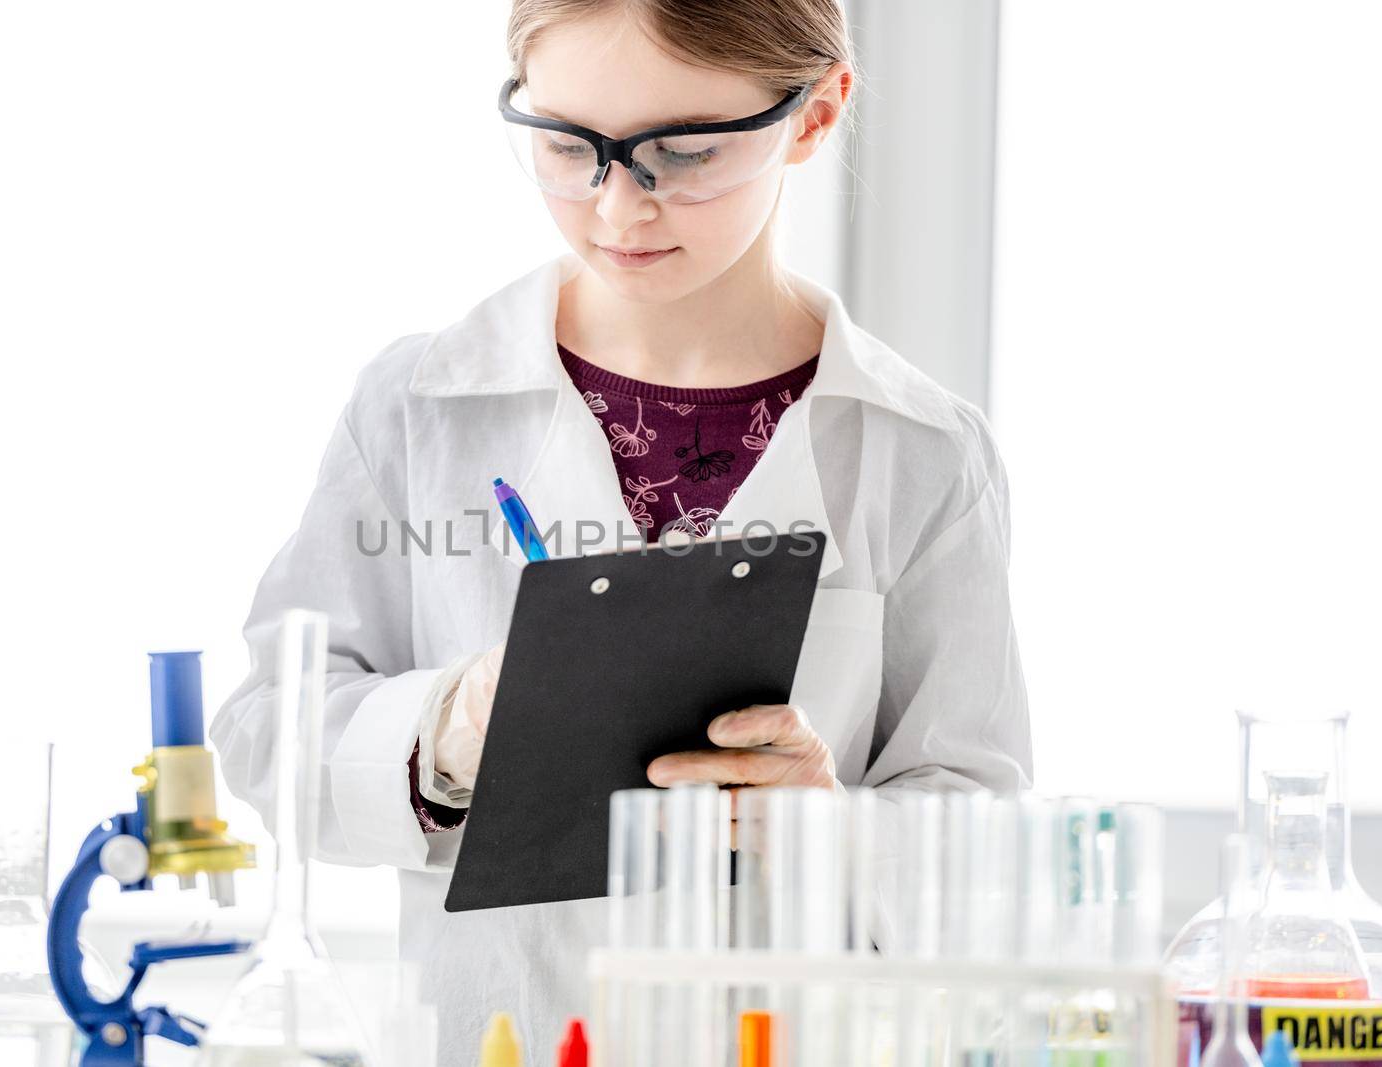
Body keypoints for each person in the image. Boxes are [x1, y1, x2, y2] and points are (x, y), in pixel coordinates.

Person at [212, 0, 1031, 1060]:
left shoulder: (919, 452)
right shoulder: (419, 405)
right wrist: (448, 729)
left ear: (818, 112)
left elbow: (985, 840)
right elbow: (265, 730)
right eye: (565, 145)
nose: (616, 207)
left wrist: (828, 824)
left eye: (682, 152)